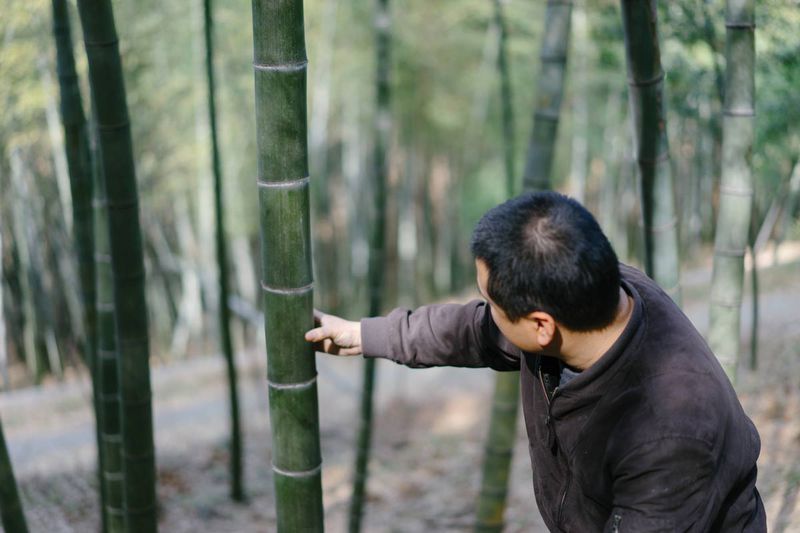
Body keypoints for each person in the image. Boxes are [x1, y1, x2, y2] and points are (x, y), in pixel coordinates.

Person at [305, 191, 766, 532]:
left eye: (492, 303)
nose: (486, 311)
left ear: (541, 326)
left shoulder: (671, 427)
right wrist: (364, 335)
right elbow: (470, 330)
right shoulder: (592, 291)